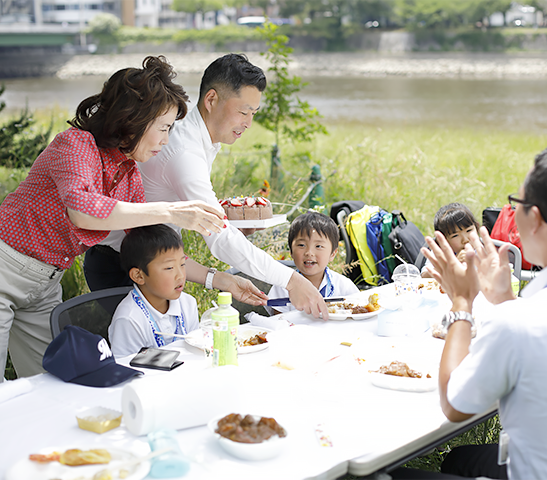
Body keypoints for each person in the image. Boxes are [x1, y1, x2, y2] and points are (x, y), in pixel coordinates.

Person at [394, 143, 547, 480]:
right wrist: (504, 302)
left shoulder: (521, 323)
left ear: (534, 218)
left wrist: (462, 302)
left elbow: (454, 404)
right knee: (459, 460)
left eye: (517, 204)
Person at [0, 56, 226, 380]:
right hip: (6, 266)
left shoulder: (128, 173)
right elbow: (82, 210)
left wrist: (216, 277)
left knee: (47, 385)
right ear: (133, 119)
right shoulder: (76, 145)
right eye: (163, 128)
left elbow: (150, 248)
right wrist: (171, 210)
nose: (166, 139)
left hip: (46, 283)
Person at [84, 53, 329, 320]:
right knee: (143, 356)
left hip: (157, 259)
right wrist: (293, 280)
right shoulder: (183, 151)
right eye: (243, 111)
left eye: (253, 114)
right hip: (123, 266)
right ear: (211, 99)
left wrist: (222, 275)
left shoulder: (199, 140)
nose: (248, 123)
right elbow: (219, 237)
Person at [109, 225, 199, 357]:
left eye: (182, 264)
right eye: (169, 268)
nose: (180, 275)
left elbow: (196, 351)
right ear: (139, 276)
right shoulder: (129, 319)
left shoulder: (188, 304)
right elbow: (125, 369)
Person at [266, 212, 359, 315]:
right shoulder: (283, 286)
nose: (309, 252)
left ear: (332, 254)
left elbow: (358, 311)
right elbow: (278, 323)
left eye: (318, 246)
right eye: (301, 245)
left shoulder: (344, 286)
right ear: (291, 252)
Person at [421, 203, 480, 278]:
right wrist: (451, 265)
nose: (465, 240)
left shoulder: (484, 250)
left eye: (469, 230)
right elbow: (424, 276)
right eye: (455, 235)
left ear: (477, 228)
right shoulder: (441, 252)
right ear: (443, 240)